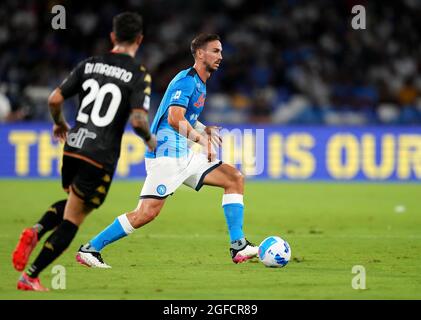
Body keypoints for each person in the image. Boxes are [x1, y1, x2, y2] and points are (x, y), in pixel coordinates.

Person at [76, 33, 258, 269]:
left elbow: (187, 116)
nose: (220, 56)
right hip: (167, 156)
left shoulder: (200, 83)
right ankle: (90, 249)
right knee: (146, 213)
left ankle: (238, 245)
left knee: (234, 178)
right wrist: (201, 139)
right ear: (200, 54)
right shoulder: (186, 80)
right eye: (215, 51)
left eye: (221, 51)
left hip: (184, 154)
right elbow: (174, 119)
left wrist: (203, 128)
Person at [12, 12, 156, 291]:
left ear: (112, 37)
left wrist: (60, 124)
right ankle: (30, 275)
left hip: (74, 145)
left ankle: (37, 230)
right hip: (99, 154)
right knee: (74, 219)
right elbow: (138, 120)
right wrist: (150, 140)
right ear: (139, 39)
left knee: (71, 203)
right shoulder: (138, 74)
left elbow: (55, 99)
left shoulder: (89, 64)